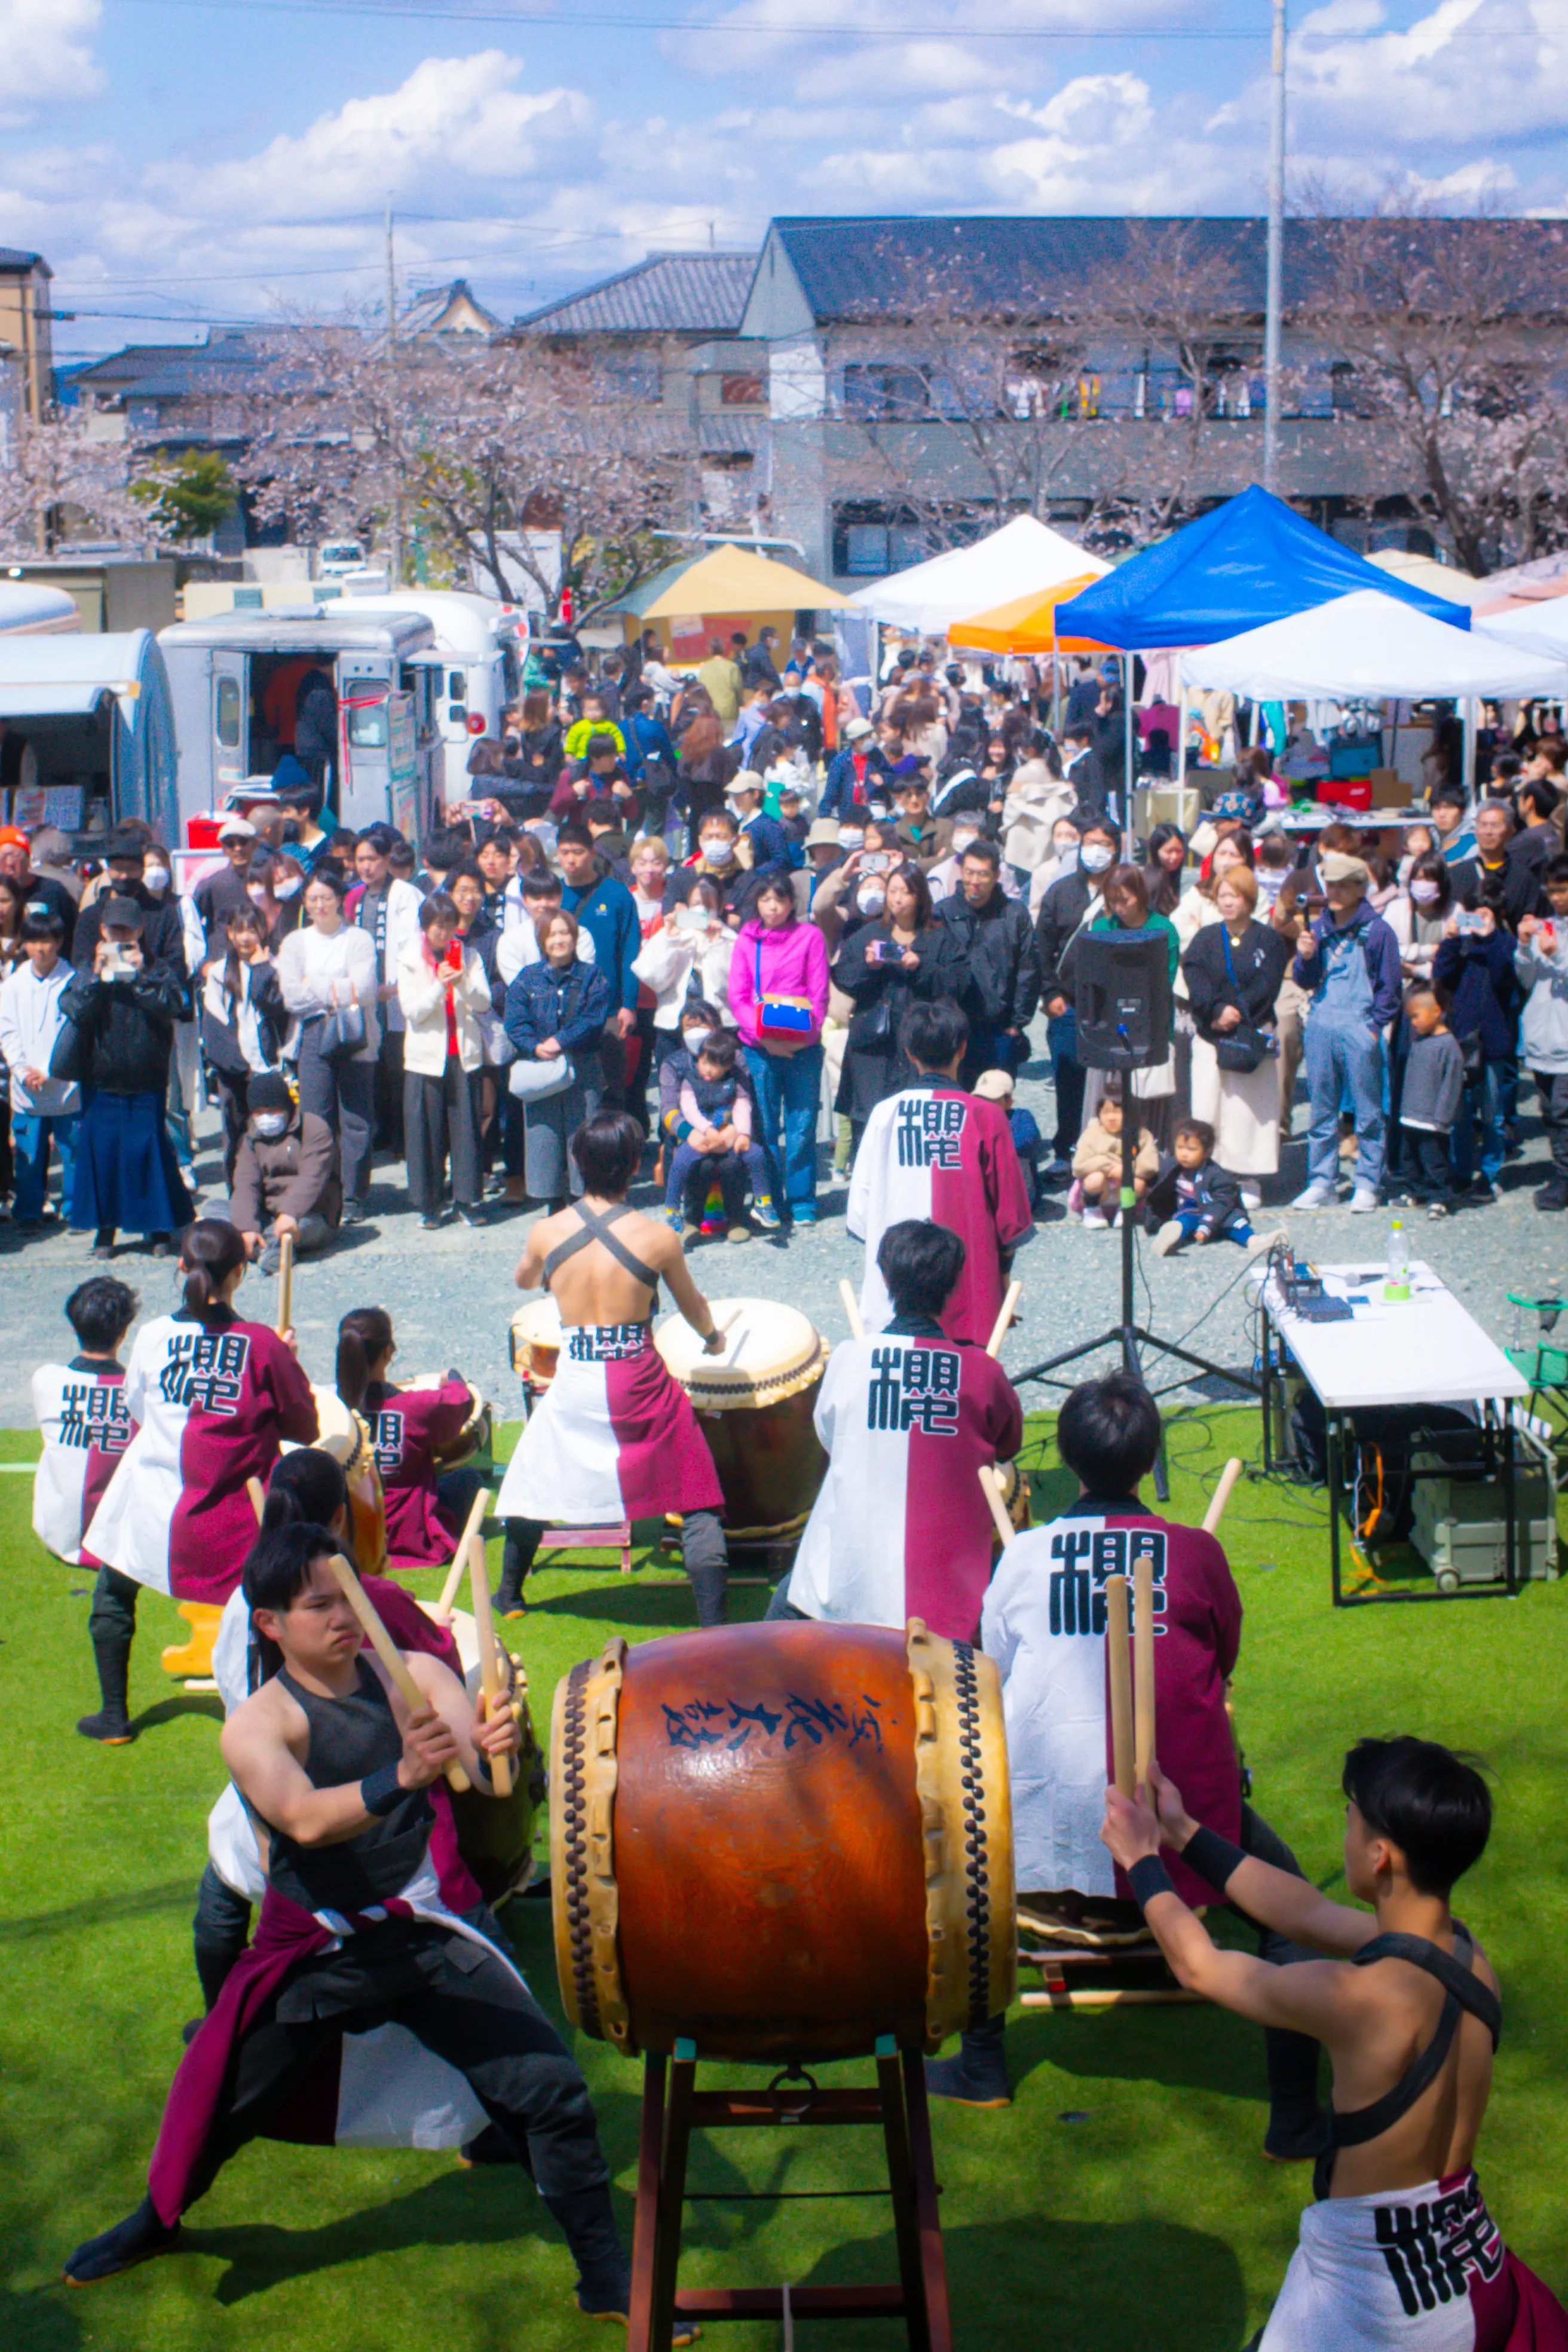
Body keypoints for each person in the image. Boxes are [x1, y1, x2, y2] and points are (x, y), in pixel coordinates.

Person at [62, 1523, 672, 2339]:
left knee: (549, 2088)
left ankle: (602, 2276)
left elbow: (480, 1778)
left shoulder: (415, 1674)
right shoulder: (257, 1726)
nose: (344, 1617)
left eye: (348, 1596)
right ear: (270, 1623)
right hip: (317, 1951)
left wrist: (500, 1746)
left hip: (427, 1933)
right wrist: (400, 1776)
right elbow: (305, 1820)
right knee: (224, 2103)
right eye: (320, 1605)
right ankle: (156, 2218)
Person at [1101, 1738, 1568, 2350]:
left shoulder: (1357, 1999)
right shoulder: (1466, 1953)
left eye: (1349, 1820)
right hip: (1472, 2272)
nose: (1344, 1833)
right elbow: (1307, 1913)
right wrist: (1182, 1831)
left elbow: (1200, 1967)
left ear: (1379, 1855)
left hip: (1382, 2309)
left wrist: (1140, 1860)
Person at [78, 1221, 318, 1743]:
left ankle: (114, 1715)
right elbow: (305, 1428)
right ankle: (274, 1721)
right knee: (271, 1609)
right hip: (236, 1522)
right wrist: (287, 1363)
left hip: (154, 1511)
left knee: (113, 1591)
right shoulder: (263, 1344)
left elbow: (138, 1409)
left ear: (182, 1266)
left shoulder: (151, 1336)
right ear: (240, 1273)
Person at [494, 1111, 730, 1623]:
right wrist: (714, 1339)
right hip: (640, 1380)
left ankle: (510, 1596)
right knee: (697, 1491)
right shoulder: (659, 1237)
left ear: (579, 1164)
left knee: (535, 1478)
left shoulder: (546, 1231)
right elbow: (693, 1308)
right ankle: (714, 1623)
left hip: (577, 1377)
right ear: (633, 1166)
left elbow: (524, 1280)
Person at [777, 1218, 1022, 1639]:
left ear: (886, 1278)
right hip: (953, 1587)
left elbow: (831, 1439)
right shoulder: (981, 1371)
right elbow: (1008, 1445)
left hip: (846, 1577)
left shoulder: (849, 1358)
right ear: (954, 1284)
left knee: (781, 1624)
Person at [849, 1002, 1032, 1345]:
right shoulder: (987, 1115)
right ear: (963, 1049)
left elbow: (860, 1214)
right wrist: (1004, 1278)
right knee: (969, 1376)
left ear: (908, 1053)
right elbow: (1011, 1217)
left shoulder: (883, 1114)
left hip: (896, 1295)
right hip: (970, 1292)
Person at [60, 896, 191, 1259]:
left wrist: (140, 977)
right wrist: (97, 978)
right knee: (103, 1155)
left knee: (149, 1153)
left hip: (147, 1078)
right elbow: (72, 1009)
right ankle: (106, 1230)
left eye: (126, 931)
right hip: (101, 1078)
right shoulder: (89, 969)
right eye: (114, 930)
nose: (120, 937)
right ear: (103, 931)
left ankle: (159, 1227)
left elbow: (174, 1006)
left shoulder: (158, 969)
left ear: (140, 931)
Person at [1291, 852, 1402, 1213]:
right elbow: (1305, 980)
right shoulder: (1318, 928)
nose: (1334, 892)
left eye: (1343, 886)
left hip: (1359, 1024)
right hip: (1321, 1022)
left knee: (1369, 1111)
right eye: (1331, 885)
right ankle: (1321, 1182)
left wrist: (1374, 1028)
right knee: (1321, 1109)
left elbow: (1390, 987)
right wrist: (1305, 957)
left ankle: (1368, 1182)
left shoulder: (1378, 931)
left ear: (1360, 889)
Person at [832, 860, 968, 1153]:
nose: (897, 899)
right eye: (892, 891)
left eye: (906, 892)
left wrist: (922, 967)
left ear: (920, 897)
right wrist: (869, 967)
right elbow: (842, 976)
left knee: (916, 1125)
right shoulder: (868, 934)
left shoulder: (940, 936)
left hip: (921, 1044)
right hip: (873, 1046)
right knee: (869, 1124)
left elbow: (959, 982)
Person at [335, 1308, 483, 1568]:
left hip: (355, 1537)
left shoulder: (331, 1408)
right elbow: (461, 1400)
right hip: (409, 1535)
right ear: (387, 1352)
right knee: (469, 1479)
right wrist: (453, 1377)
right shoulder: (413, 1408)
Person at [1182, 864, 1291, 1208]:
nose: (1228, 902)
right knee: (1207, 1106)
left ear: (1250, 899)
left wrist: (1236, 1015)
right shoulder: (1206, 938)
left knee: (1248, 1109)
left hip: (1250, 1035)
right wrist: (1215, 1010)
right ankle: (1206, 1175)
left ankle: (1247, 1176)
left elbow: (1268, 985)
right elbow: (1194, 975)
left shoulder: (1269, 940)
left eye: (1236, 896)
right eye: (1223, 895)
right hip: (1211, 1034)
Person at [276, 868, 379, 1223]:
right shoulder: (295, 943)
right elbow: (291, 996)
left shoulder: (359, 939)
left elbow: (366, 990)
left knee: (356, 1118)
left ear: (339, 900)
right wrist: (338, 988)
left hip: (354, 1032)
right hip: (312, 1033)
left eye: (327, 898)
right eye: (313, 899)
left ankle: (353, 1195)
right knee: (315, 1117)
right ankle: (319, 1190)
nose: (320, 905)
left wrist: (315, 984)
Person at [728, 871, 830, 1229]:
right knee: (766, 1126)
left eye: (780, 900)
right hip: (759, 1047)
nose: (773, 907)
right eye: (766, 900)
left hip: (804, 1046)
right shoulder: (747, 939)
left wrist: (803, 1039)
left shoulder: (810, 936)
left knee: (802, 1125)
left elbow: (819, 994)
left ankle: (802, 1199)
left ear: (792, 903)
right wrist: (764, 1039)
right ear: (756, 902)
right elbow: (738, 996)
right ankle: (768, 1196)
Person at [503, 907, 614, 1210]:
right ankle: (553, 1204)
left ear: (575, 937)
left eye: (565, 932)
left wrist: (560, 1040)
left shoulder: (592, 975)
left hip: (582, 1064)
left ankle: (584, 1201)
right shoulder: (528, 977)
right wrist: (535, 1046)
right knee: (544, 1135)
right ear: (542, 940)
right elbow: (515, 1021)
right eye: (552, 934)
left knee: (584, 1134)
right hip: (542, 1067)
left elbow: (594, 1017)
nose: (559, 940)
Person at [394, 892, 489, 1232]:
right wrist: (439, 985)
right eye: (437, 926)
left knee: (466, 1131)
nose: (445, 932)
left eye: (450, 925)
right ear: (425, 927)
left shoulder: (470, 955)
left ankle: (467, 1201)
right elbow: (413, 1012)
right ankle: (430, 1205)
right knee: (426, 1133)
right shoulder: (409, 959)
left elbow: (483, 1003)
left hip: (463, 1055)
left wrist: (461, 980)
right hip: (425, 1060)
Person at [32, 1275, 138, 1573]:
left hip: (55, 1532)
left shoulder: (46, 1379)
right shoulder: (139, 1391)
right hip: (118, 1541)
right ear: (124, 1332)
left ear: (74, 1325)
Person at [1035, 812, 1122, 1175]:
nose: (1096, 851)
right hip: (1068, 1004)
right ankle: (1066, 1150)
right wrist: (1050, 993)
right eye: (1090, 843)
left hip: (1112, 1006)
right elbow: (1041, 947)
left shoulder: (1124, 890)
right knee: (1069, 1081)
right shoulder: (1061, 891)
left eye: (1105, 844)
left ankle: (1107, 1150)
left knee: (1110, 1085)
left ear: (1117, 849)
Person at [1433, 888, 1523, 1206]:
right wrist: (1451, 940)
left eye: (1485, 914)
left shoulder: (1507, 944)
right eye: (1474, 914)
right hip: (1460, 1039)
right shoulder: (1462, 944)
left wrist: (1491, 938)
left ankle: (1490, 1174)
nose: (1478, 921)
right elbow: (1441, 975)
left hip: (1494, 1043)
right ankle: (1461, 1172)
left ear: (1497, 916)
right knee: (1460, 1115)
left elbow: (1504, 979)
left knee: (1492, 1115)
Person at [935, 837, 1040, 1082]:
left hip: (999, 1029)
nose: (975, 881)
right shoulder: (943, 912)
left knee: (994, 1101)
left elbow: (1029, 971)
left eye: (983, 874)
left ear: (996, 876)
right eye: (969, 873)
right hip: (953, 1029)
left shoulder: (1014, 914)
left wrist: (1017, 1025)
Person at [0, 901, 79, 1224]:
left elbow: (75, 1032)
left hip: (67, 1084)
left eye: (47, 941)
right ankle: (29, 1211)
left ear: (59, 942)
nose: (40, 949)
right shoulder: (13, 985)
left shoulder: (74, 981)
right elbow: (7, 1030)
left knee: (73, 1151)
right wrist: (21, 1070)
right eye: (33, 941)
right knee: (29, 1153)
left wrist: (53, 1070)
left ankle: (75, 1208)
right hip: (27, 1086)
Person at [662, 1023, 776, 1239]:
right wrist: (705, 1130)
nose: (708, 1070)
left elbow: (743, 1104)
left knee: (757, 1155)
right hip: (701, 1136)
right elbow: (689, 1109)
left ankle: (762, 1202)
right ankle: (673, 1210)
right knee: (681, 1163)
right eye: (704, 1062)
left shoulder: (734, 1078)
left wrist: (743, 1134)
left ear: (728, 1066)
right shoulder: (689, 1079)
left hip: (728, 1135)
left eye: (715, 1066)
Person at [351, 823, 424, 1158]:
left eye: (373, 859)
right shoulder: (358, 896)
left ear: (386, 859)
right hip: (368, 996)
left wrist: (396, 986)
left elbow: (412, 942)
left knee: (399, 1068)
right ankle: (382, 1130)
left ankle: (404, 1137)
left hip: (395, 994)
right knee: (375, 1066)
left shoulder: (405, 893)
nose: (366, 866)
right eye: (361, 860)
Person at [223, 1070, 341, 1275]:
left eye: (273, 1110)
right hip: (268, 1215)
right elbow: (245, 1184)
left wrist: (290, 1213)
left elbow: (312, 1178)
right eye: (259, 1112)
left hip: (309, 1214)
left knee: (298, 1228)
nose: (266, 1117)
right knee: (215, 1211)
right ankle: (267, 1249)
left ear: (287, 1107)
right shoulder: (250, 1138)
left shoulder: (313, 1128)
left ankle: (257, 1248)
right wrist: (246, 1228)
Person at [199, 905, 286, 1180]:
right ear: (230, 933)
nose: (246, 937)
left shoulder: (276, 968)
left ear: (263, 931)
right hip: (234, 1072)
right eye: (240, 930)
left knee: (272, 1133)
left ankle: (273, 1189)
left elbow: (277, 1009)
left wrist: (262, 970)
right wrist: (238, 1066)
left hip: (269, 1068)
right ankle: (238, 1191)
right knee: (236, 1135)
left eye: (252, 930)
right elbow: (215, 1026)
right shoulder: (219, 972)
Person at [556, 820, 639, 1107]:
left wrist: (629, 1004)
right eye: (564, 852)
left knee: (613, 1087)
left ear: (593, 853)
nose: (571, 859)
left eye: (578, 852)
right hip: (562, 1011)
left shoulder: (617, 894)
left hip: (609, 1008)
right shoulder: (553, 895)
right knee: (569, 1089)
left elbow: (630, 952)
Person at [1148, 1116, 1281, 1258]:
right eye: (1180, 1148)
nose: (1184, 1154)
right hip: (1190, 1211)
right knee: (1181, 1222)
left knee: (1235, 1223)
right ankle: (1167, 1238)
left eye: (1192, 1149)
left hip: (1218, 1213)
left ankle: (1254, 1242)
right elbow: (1157, 1188)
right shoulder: (1172, 1167)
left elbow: (1223, 1202)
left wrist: (1206, 1225)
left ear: (1207, 1152)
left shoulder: (1217, 1175)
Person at [1516, 862, 1568, 1211]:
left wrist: (1557, 955)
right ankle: (1561, 1173)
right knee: (1550, 1111)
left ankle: (1565, 1178)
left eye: (1562, 889)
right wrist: (1524, 946)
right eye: (1551, 890)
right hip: (1541, 1037)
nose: (1556, 897)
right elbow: (1526, 978)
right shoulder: (1547, 925)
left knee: (1563, 1111)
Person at [1395, 983, 1464, 1219]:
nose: (1413, 1023)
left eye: (1416, 1016)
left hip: (1432, 1121)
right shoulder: (1418, 1041)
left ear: (1436, 1011)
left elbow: (1451, 1085)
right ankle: (1415, 1191)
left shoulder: (1448, 1046)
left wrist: (1442, 1118)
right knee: (1409, 1159)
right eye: (1410, 1018)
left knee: (1435, 1162)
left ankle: (1440, 1198)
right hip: (1411, 1116)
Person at [1069, 1082, 1159, 1229]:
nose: (1111, 1118)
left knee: (1138, 1184)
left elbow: (1151, 1166)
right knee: (1095, 1179)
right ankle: (1093, 1211)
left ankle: (1125, 1211)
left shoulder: (1141, 1135)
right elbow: (1078, 1166)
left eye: (1118, 1112)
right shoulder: (1092, 1134)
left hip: (1125, 1192)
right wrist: (1106, 1165)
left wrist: (1126, 1170)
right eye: (1106, 1112)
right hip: (1101, 1192)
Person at [972, 1065, 1045, 1211]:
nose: (984, 1105)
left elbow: (1029, 1142)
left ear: (1009, 1102)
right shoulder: (972, 1118)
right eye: (980, 1099)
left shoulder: (1021, 1117)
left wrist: (990, 1143)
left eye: (991, 1100)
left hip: (1018, 1194)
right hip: (984, 1189)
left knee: (1017, 1157)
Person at [192, 815, 259, 939]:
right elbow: (192, 921)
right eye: (230, 844)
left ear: (255, 844)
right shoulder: (212, 884)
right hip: (222, 949)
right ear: (224, 849)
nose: (238, 849)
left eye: (243, 842)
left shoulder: (268, 879)